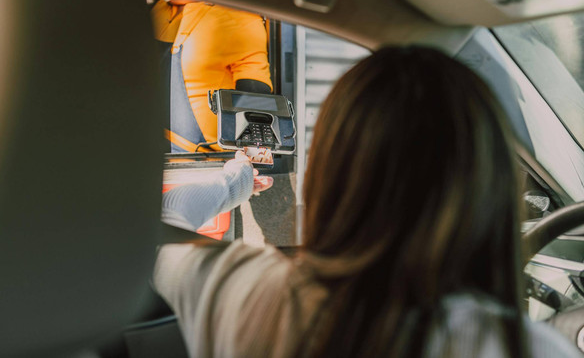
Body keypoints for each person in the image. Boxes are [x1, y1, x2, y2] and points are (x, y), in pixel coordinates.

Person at [154, 46, 581, 357]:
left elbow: (159, 225)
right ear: (490, 183)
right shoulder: (519, 346)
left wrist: (237, 179)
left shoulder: (241, 291)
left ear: (328, 173)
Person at [151, 0, 273, 153]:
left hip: (204, 162)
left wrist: (253, 163)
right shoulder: (158, 9)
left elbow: (256, 100)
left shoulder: (239, 17)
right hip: (152, 152)